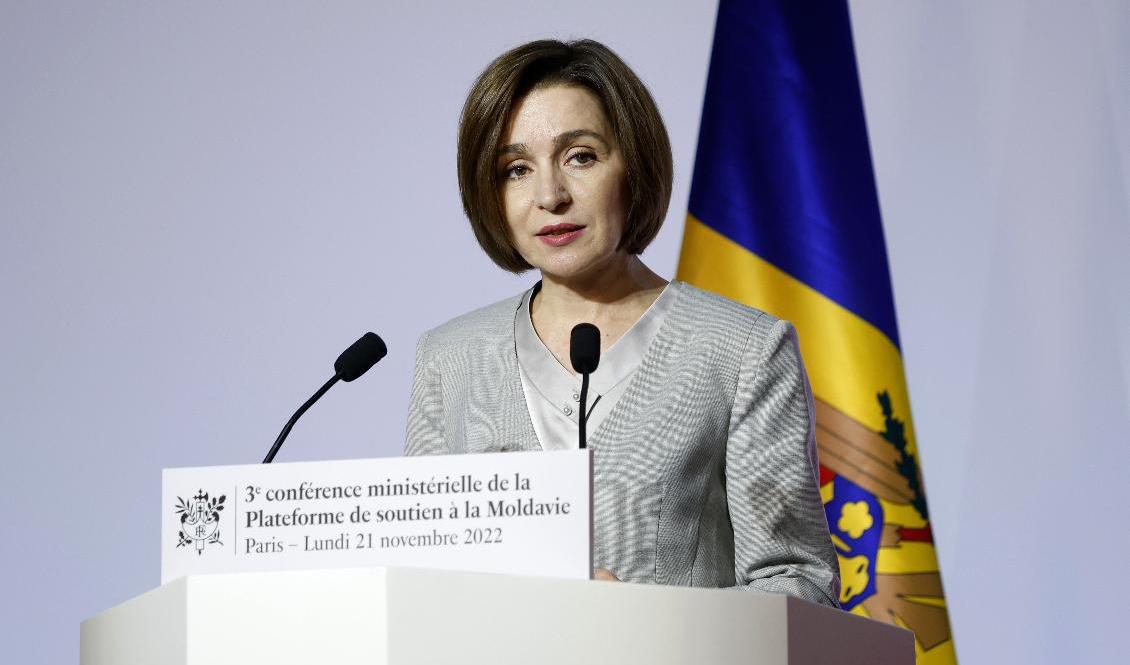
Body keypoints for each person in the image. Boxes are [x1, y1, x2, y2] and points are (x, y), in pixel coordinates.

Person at [405, 38, 839, 606]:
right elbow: (416, 581)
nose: (549, 195)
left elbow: (799, 586)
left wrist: (648, 619)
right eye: (515, 169)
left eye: (580, 157)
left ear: (632, 165)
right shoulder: (449, 358)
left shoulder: (742, 351)